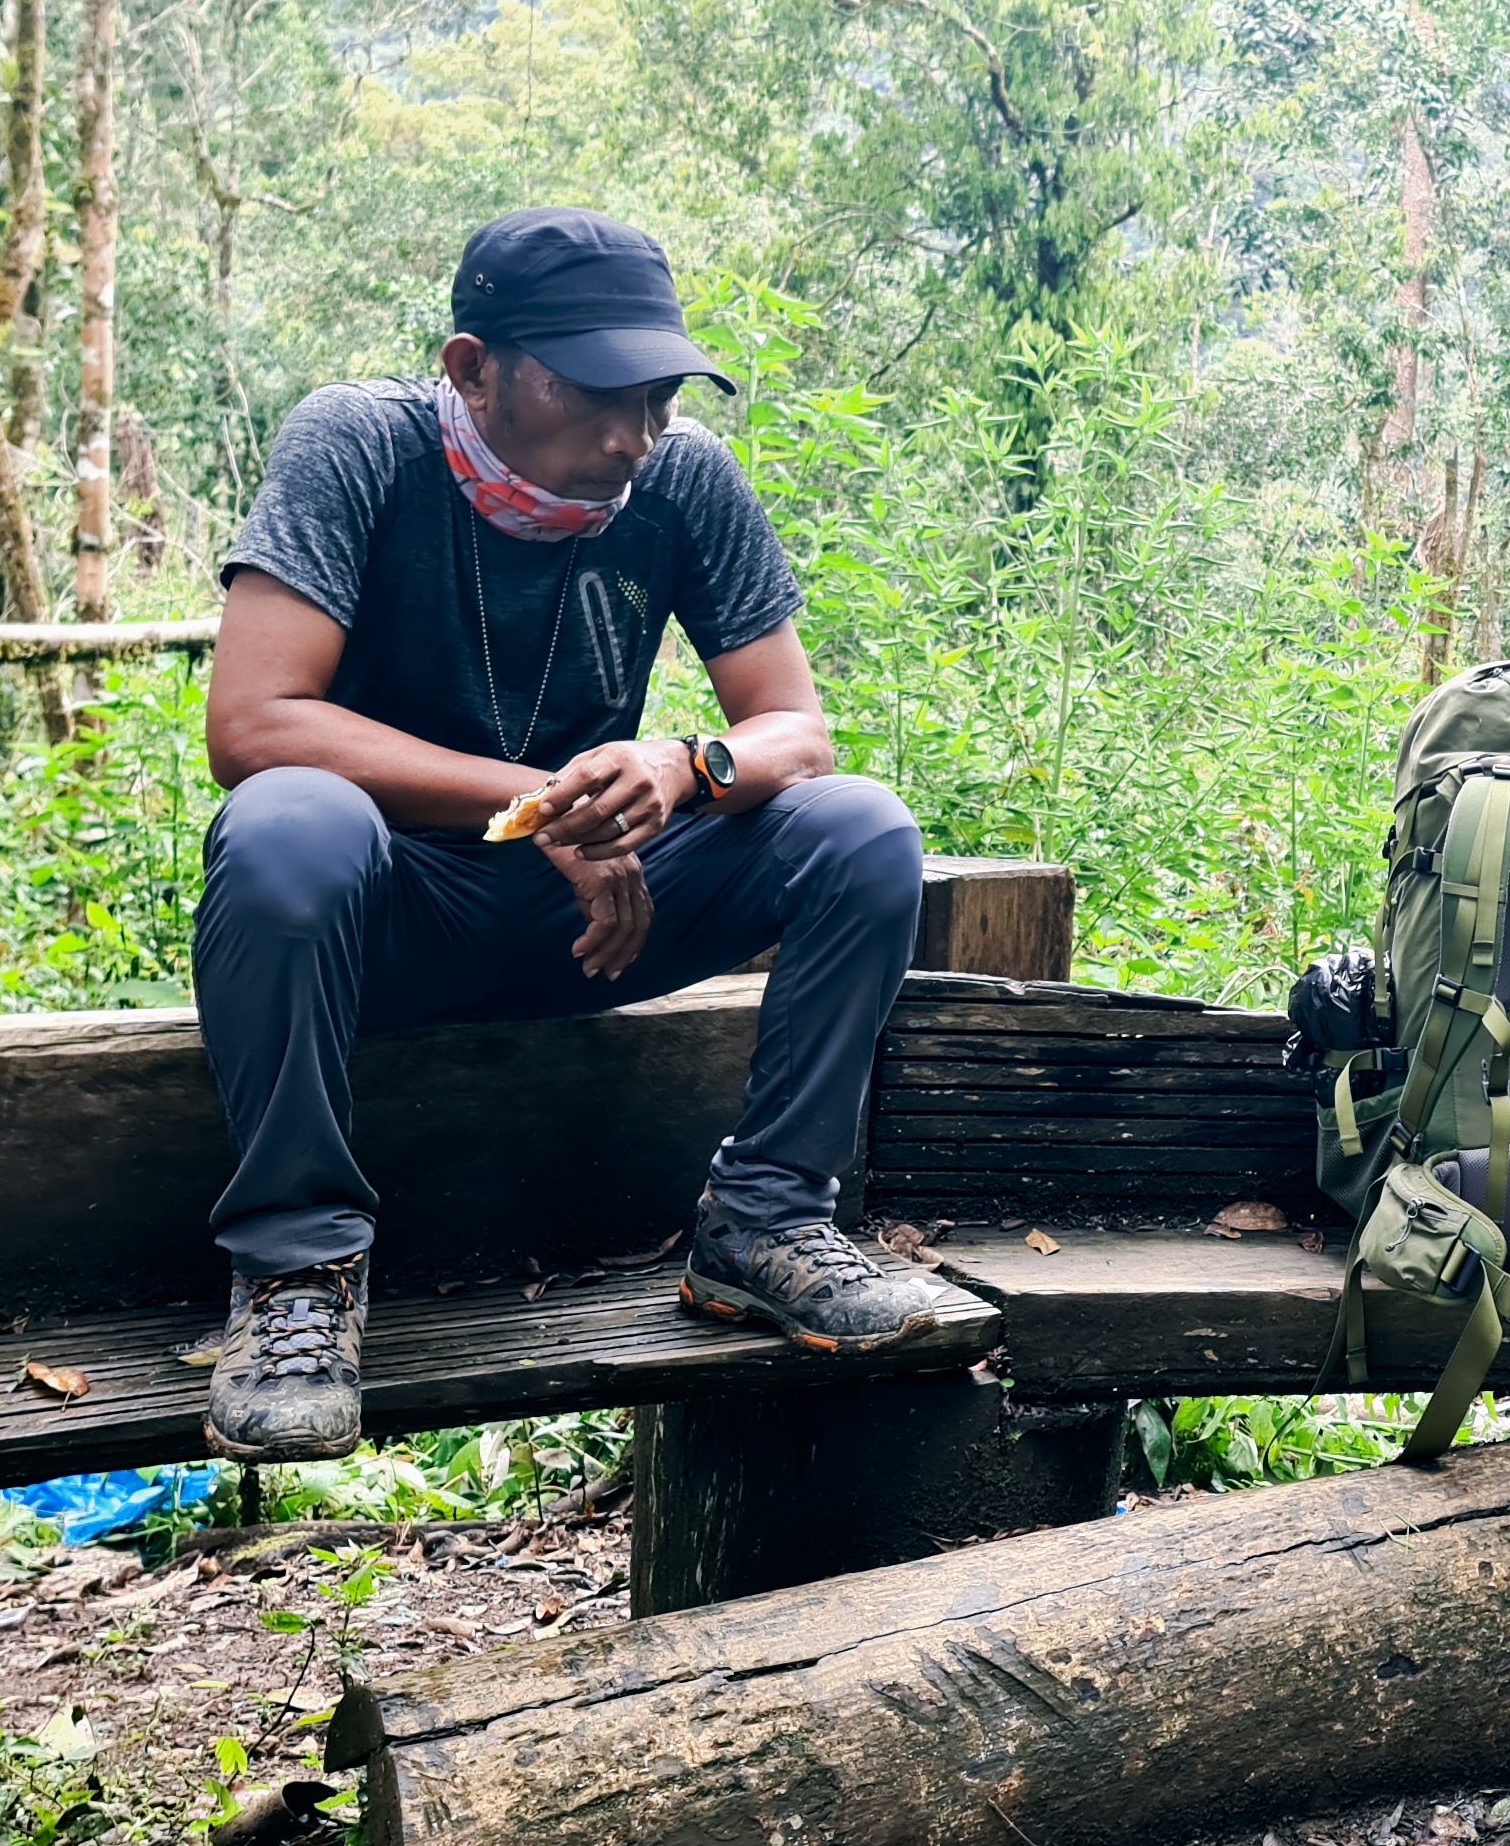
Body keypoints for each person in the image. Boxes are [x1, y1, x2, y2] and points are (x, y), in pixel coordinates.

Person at [189, 208, 964, 1463]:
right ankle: (296, 1278)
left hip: (602, 918)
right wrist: (533, 800)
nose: (630, 435)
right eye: (594, 392)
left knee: (861, 829)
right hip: (390, 912)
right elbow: (253, 722)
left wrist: (684, 764)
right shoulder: (358, 446)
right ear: (471, 369)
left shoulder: (680, 478)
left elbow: (793, 733)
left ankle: (764, 1222)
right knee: (286, 819)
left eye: (655, 395)